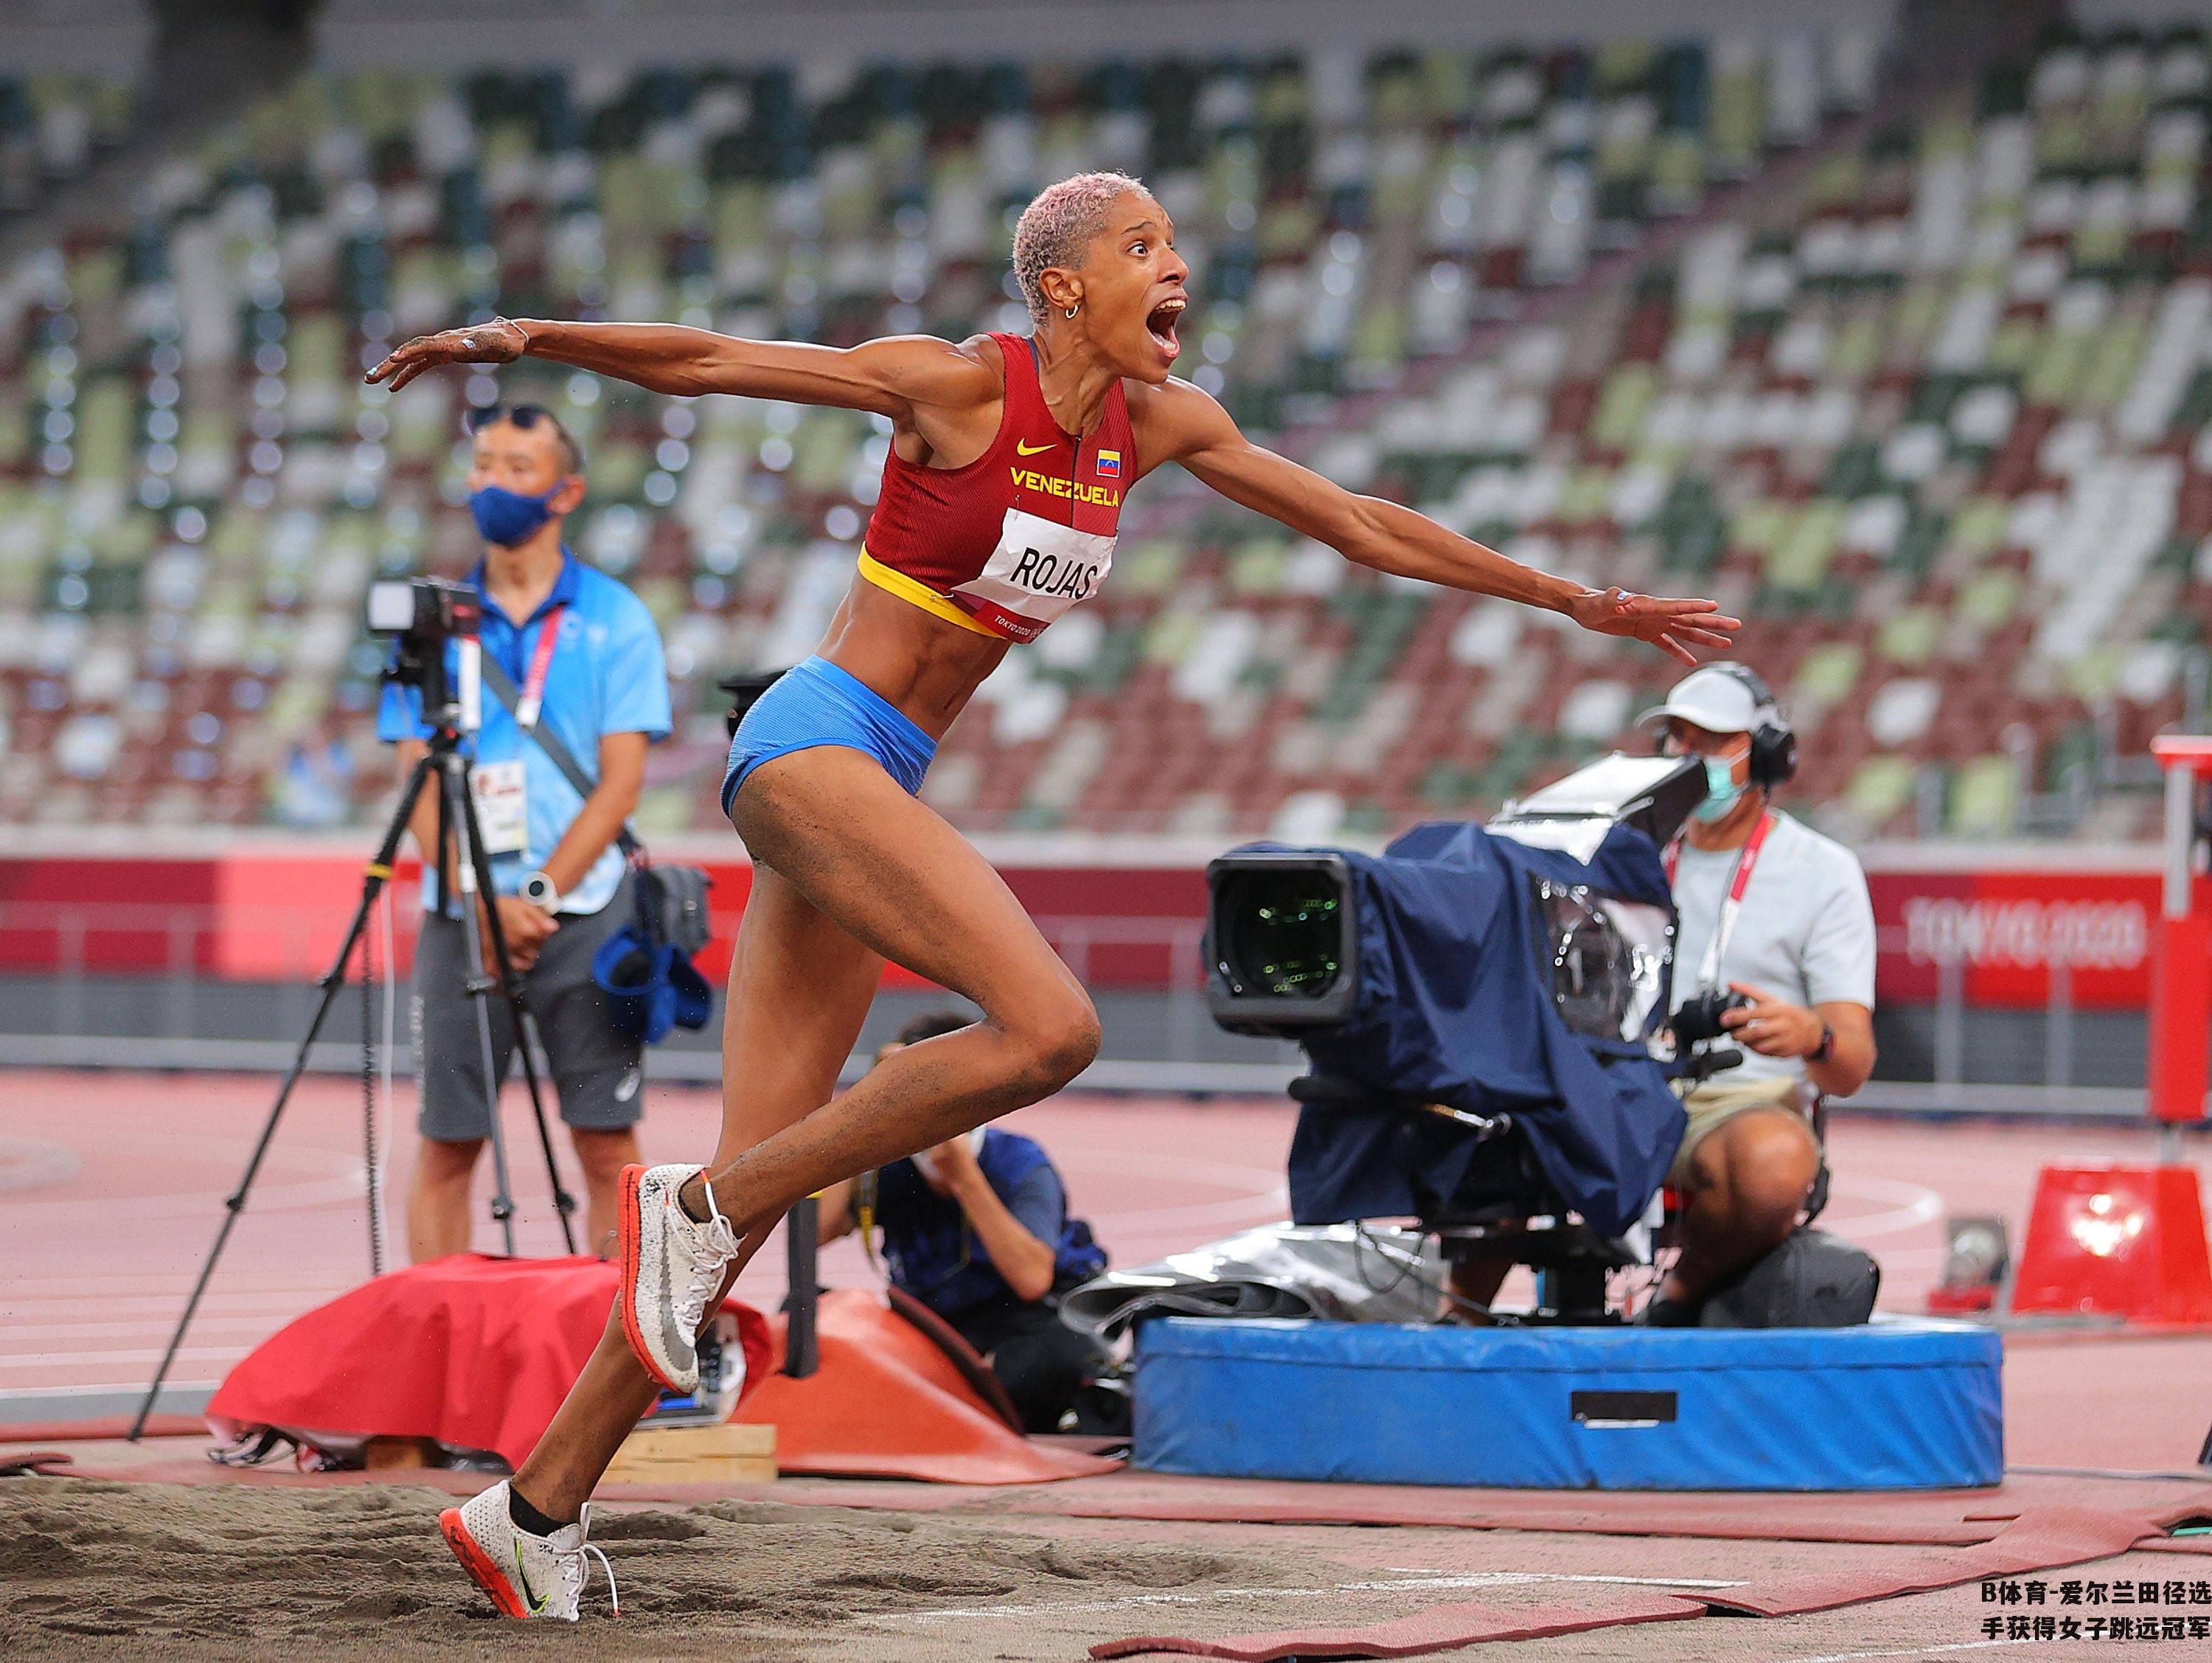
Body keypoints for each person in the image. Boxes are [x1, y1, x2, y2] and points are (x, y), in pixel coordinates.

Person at [369, 169, 1740, 1621]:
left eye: (1175, 242)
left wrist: (1580, 600)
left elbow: (1362, 523)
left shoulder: (1156, 426)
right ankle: (696, 1202)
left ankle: (530, 1506)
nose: (1178, 264)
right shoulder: (958, 389)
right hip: (814, 742)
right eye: (1143, 243)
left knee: (751, 1205)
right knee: (1047, 1026)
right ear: (1064, 283)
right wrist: (519, 336)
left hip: (878, 776)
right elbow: (715, 361)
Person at [377, 403, 672, 1265]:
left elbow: (620, 785)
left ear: (566, 490)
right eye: (482, 464)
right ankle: (438, 1348)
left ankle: (620, 1360)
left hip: (585, 917)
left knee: (608, 1147)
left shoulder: (618, 618)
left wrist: (533, 896)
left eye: (518, 467)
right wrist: (482, 897)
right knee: (447, 1145)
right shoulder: (429, 622)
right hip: (460, 919)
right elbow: (417, 782)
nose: (493, 482)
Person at [1637, 662, 1877, 1325]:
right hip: (1623, 1087)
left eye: (1711, 741)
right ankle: (1460, 1329)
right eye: (1676, 739)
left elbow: (1851, 1063)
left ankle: (1677, 1300)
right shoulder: (1627, 854)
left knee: (1776, 1164)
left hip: (1741, 1103)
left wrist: (1813, 1036)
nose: (1688, 758)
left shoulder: (1822, 872)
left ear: (1767, 754)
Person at [818, 1010, 1110, 1433]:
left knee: (1049, 1359)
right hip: (931, 1323)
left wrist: (963, 1176)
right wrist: (864, 1114)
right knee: (809, 1314)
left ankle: (950, 1408)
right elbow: (814, 1234)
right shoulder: (893, 1166)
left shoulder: (1019, 1162)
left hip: (1019, 1317)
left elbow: (1031, 1278)